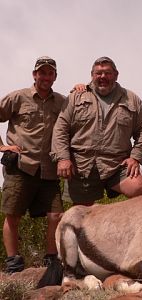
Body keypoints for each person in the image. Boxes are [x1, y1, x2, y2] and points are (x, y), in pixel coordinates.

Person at [51, 56, 142, 205]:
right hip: (82, 165)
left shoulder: (131, 99)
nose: (103, 76)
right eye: (98, 73)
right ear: (92, 75)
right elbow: (61, 129)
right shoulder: (76, 97)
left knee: (139, 187)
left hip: (117, 165)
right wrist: (63, 158)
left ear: (116, 75)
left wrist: (135, 158)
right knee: (82, 216)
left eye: (107, 73)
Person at [0, 56, 65, 273]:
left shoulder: (61, 102)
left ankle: (51, 258)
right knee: (13, 215)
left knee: (56, 215)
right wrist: (2, 147)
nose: (46, 77)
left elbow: (79, 113)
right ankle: (13, 262)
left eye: (50, 73)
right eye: (42, 72)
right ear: (34, 74)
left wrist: (82, 88)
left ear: (55, 76)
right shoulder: (18, 97)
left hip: (49, 169)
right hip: (20, 166)